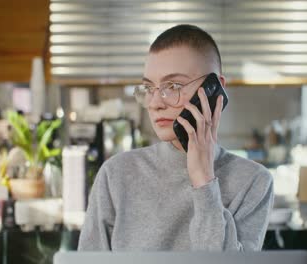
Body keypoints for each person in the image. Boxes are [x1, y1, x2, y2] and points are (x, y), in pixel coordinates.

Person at [78, 24, 273, 251]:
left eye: (173, 86)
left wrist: (203, 180)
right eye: (149, 87)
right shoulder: (115, 175)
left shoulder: (253, 181)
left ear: (214, 89)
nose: (155, 103)